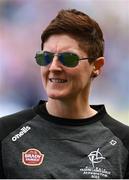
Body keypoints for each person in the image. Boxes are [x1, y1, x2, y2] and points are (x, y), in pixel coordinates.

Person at [0, 9, 129, 179]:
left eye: (68, 58)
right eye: (45, 58)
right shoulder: (6, 134)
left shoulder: (123, 142)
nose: (53, 67)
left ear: (96, 66)